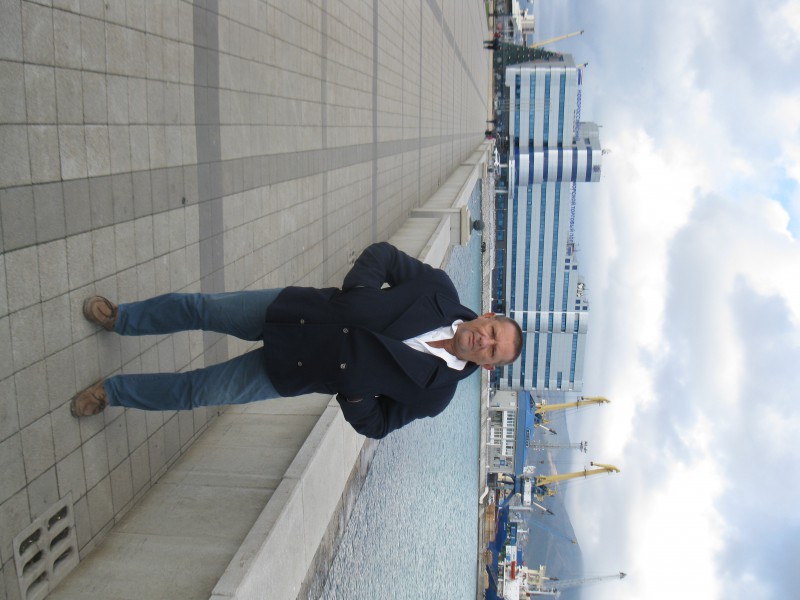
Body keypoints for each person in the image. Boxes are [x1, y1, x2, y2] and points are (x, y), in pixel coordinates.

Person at [71, 242, 523, 439]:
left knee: (197, 391)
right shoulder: (439, 290)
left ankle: (112, 393)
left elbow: (379, 425)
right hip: (295, 310)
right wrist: (358, 293)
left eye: (492, 351)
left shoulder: (434, 395)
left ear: (488, 366)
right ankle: (123, 318)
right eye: (492, 332)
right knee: (201, 308)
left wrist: (355, 391)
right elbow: (383, 256)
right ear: (487, 317)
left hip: (294, 371)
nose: (484, 341)